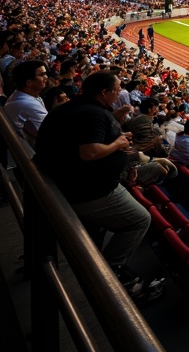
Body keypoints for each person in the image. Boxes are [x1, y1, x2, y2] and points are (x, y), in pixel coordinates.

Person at [33, 70, 163, 303]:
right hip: (87, 191)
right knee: (140, 219)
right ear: (104, 92)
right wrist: (118, 143)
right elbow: (89, 151)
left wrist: (115, 126)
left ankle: (100, 255)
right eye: (116, 89)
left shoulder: (76, 108)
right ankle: (110, 272)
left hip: (66, 184)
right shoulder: (91, 115)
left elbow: (87, 137)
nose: (119, 93)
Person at [2, 58, 49, 149]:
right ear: (29, 82)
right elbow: (50, 134)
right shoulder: (28, 104)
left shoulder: (24, 96)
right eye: (42, 74)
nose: (46, 77)